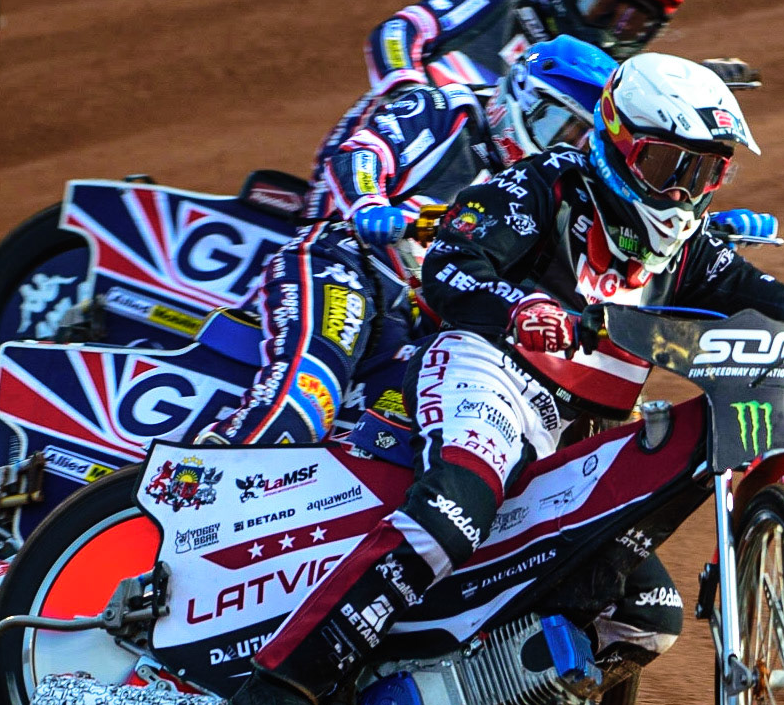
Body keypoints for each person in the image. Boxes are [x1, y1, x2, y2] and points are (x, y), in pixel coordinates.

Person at [224, 53, 784, 705]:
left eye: (704, 172)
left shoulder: (690, 249)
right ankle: (284, 684)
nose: (682, 191)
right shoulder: (541, 184)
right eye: (667, 164)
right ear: (616, 141)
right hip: (488, 369)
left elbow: (776, 301)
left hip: (573, 430)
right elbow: (449, 264)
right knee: (457, 509)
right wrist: (522, 306)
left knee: (647, 613)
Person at [199, 34, 619, 447]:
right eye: (558, 126)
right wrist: (369, 205)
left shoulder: (562, 199)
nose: (563, 149)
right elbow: (362, 152)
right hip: (351, 267)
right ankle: (203, 470)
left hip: (424, 326)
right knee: (305, 405)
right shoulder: (449, 109)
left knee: (425, 436)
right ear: (520, 96)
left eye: (580, 142)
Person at [311, 0, 759, 187]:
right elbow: (399, 33)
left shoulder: (607, 85)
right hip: (385, 154)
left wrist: (686, 90)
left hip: (467, 209)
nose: (611, 33)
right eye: (602, 6)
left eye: (633, 25)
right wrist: (407, 96)